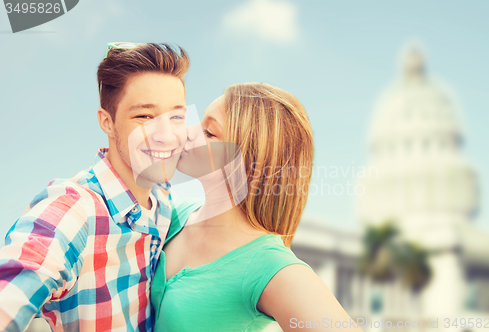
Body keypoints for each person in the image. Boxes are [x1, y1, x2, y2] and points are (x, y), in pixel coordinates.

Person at [0, 42, 189, 332]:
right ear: (107, 122)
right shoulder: (75, 208)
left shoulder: (163, 205)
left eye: (176, 116)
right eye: (144, 116)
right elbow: (14, 284)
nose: (166, 135)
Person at [152, 83, 363, 332]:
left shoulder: (268, 265)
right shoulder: (172, 215)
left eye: (209, 132)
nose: (187, 132)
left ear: (246, 162)